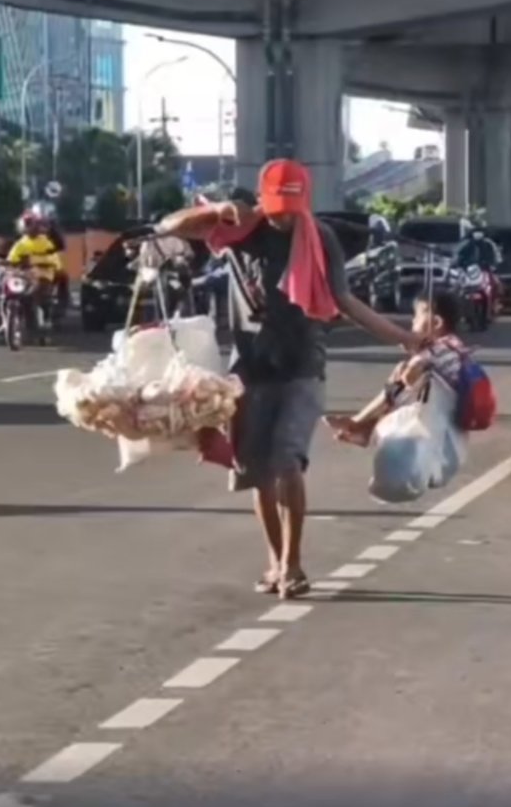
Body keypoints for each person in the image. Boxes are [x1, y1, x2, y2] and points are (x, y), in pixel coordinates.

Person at [159, 159, 426, 600]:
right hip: (249, 369)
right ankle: (274, 561)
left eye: (292, 204)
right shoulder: (240, 229)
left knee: (286, 461)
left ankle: (294, 563)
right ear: (264, 200)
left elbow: (345, 300)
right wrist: (220, 210)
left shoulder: (319, 238)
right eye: (277, 204)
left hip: (303, 364)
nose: (284, 214)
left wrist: (403, 337)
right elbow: (170, 226)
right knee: (254, 471)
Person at [325, 291, 464, 447]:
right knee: (398, 388)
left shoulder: (432, 350)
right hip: (449, 410)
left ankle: (359, 423)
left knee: (395, 386)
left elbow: (409, 378)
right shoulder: (454, 345)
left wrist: (407, 367)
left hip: (429, 410)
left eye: (417, 316)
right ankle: (363, 428)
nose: (413, 321)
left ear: (436, 323)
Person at [6, 212, 62, 329]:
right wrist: (7, 264)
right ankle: (7, 318)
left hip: (44, 273)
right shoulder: (21, 243)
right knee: (12, 289)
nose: (29, 228)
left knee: (44, 296)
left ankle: (46, 318)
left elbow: (54, 260)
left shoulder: (45, 241)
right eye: (27, 225)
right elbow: (12, 258)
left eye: (31, 224)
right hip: (27, 275)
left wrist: (34, 260)